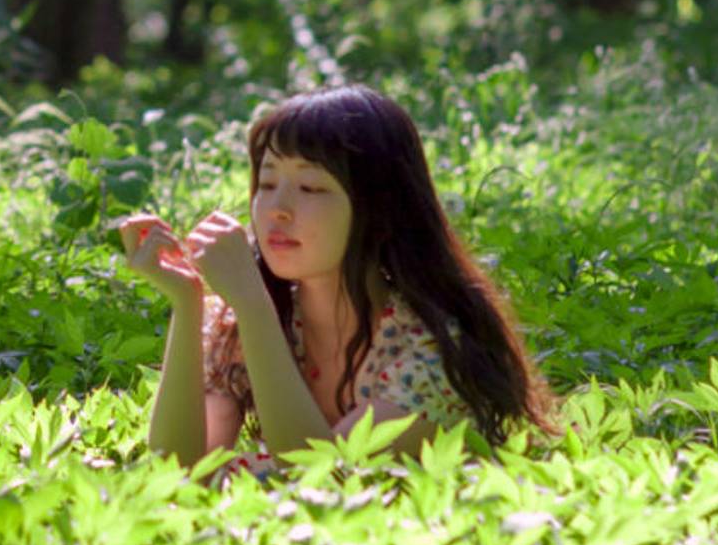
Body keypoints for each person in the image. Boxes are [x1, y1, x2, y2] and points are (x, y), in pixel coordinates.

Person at [118, 82, 556, 473]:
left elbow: (319, 480)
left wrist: (253, 306)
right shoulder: (242, 325)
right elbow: (176, 469)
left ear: (380, 208)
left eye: (311, 188)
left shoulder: (431, 348)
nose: (277, 209)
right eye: (267, 184)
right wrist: (187, 301)